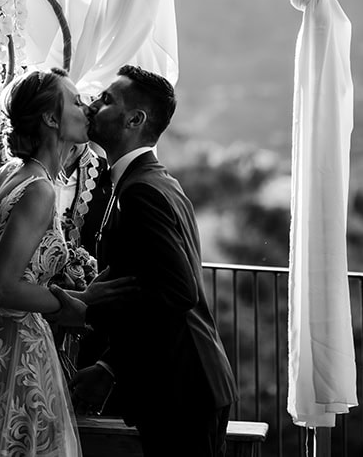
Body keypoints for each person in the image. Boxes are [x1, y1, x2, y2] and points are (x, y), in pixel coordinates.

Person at [0, 68, 136, 457]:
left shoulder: (3, 174)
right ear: (51, 118)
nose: (86, 108)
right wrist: (75, 303)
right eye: (75, 101)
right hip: (17, 352)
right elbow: (2, 289)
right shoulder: (39, 190)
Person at [66, 65, 238, 457]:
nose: (92, 106)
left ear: (135, 119)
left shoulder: (141, 191)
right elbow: (150, 282)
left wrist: (108, 362)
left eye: (106, 100)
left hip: (182, 387)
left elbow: (177, 291)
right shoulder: (151, 180)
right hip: (186, 383)